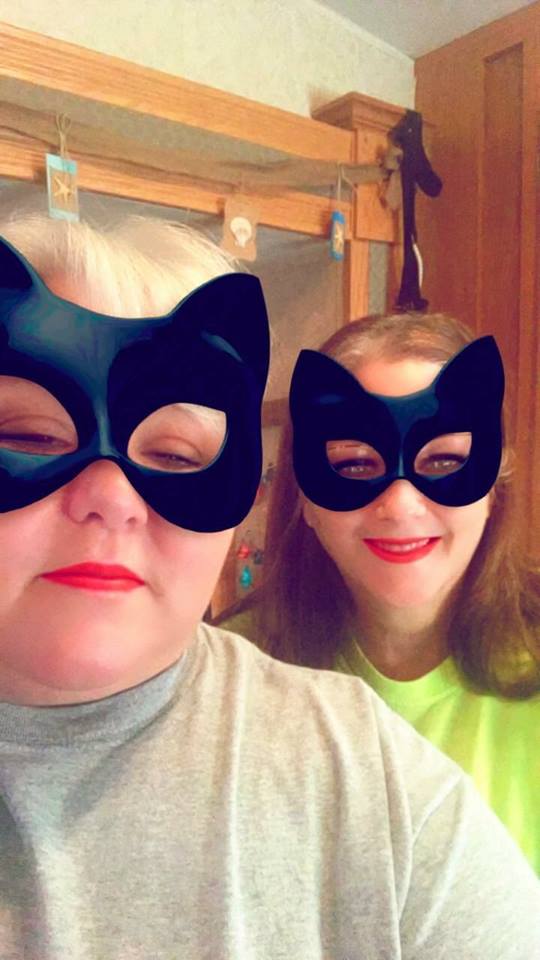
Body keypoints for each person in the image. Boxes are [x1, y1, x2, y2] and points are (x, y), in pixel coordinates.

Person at [0, 199, 539, 960]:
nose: (112, 497)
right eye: (29, 436)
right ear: (302, 497)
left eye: (176, 455)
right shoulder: (269, 646)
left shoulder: (375, 780)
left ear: (498, 480)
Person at [220, 311, 540, 875]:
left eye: (443, 461)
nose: (400, 505)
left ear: (495, 485)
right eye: (354, 465)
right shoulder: (229, 680)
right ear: (305, 500)